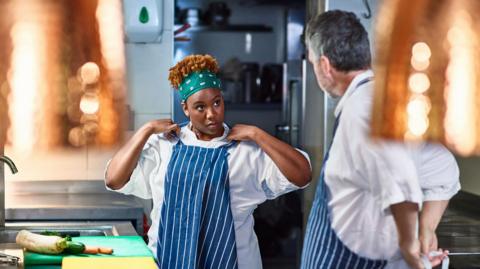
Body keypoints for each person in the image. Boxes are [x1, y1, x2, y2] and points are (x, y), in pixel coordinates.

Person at [104, 54, 312, 269]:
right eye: (200, 107)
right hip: (166, 261)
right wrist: (144, 131)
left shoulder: (246, 151)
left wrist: (258, 134)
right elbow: (114, 179)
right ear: (186, 108)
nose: (212, 114)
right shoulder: (164, 145)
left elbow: (302, 175)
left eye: (217, 103)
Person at [300, 10, 460, 269]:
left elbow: (399, 183)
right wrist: (427, 229)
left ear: (325, 65)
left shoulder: (361, 110)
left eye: (312, 61)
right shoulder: (380, 100)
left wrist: (411, 246)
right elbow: (444, 168)